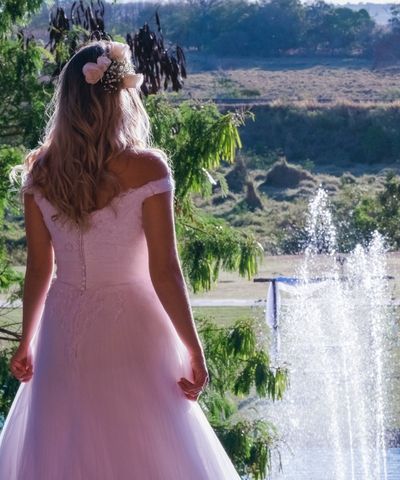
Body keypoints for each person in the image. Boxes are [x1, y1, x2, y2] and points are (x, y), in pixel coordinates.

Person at [0, 40, 242, 479]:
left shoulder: (41, 172)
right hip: (132, 324)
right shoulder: (148, 168)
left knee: (67, 441)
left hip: (62, 327)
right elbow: (165, 270)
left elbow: (39, 268)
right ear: (119, 95)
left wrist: (26, 342)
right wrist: (194, 347)